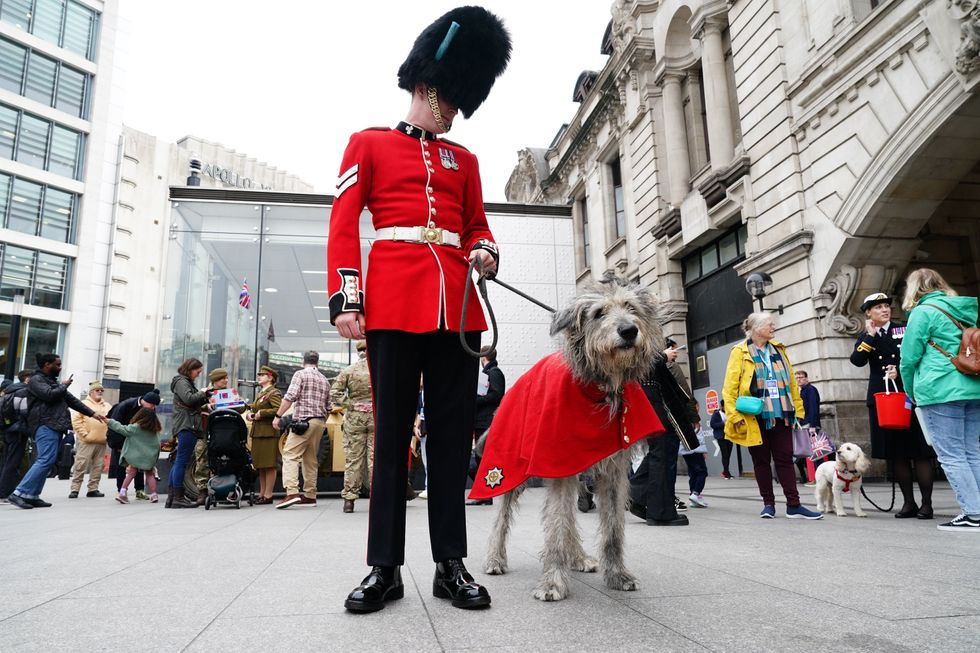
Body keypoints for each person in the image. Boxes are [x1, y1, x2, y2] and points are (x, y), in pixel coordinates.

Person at [328, 6, 510, 613]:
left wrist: (484, 251)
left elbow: (477, 226)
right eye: (451, 99)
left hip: (455, 309)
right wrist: (348, 298)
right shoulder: (369, 144)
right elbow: (342, 225)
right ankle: (384, 568)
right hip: (392, 302)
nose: (455, 111)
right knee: (390, 439)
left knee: (452, 441)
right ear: (429, 87)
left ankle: (450, 564)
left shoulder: (466, 161)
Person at [898, 268, 980, 532]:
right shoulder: (964, 309)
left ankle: (973, 513)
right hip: (972, 386)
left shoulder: (922, 312)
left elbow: (909, 358)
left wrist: (910, 391)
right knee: (972, 452)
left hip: (940, 388)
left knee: (952, 455)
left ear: (914, 288)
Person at [722, 313, 822, 519]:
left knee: (785, 459)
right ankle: (768, 504)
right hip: (754, 416)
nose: (773, 327)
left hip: (781, 414)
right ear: (757, 328)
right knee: (761, 461)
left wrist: (799, 411)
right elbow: (729, 388)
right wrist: (733, 416)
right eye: (769, 324)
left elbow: (791, 383)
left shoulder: (779, 349)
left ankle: (794, 505)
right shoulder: (740, 351)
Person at [850, 291, 935, 519]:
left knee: (920, 451)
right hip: (884, 400)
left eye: (886, 306)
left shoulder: (904, 329)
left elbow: (922, 354)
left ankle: (927, 504)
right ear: (869, 313)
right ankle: (909, 503)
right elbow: (857, 360)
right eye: (878, 307)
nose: (884, 310)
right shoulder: (866, 336)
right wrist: (870, 336)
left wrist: (900, 370)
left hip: (909, 396)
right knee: (897, 453)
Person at [8, 353, 106, 509]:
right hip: (44, 424)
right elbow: (49, 395)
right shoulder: (36, 380)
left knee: (48, 460)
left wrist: (92, 414)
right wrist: (64, 385)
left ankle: (32, 495)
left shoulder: (51, 382)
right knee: (45, 459)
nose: (60, 367)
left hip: (54, 425)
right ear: (47, 364)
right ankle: (19, 493)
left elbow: (72, 401)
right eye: (57, 364)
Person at [628, 345, 699, 526]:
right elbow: (636, 361)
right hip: (653, 398)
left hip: (652, 397)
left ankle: (637, 495)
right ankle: (660, 512)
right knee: (663, 452)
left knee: (660, 452)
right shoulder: (640, 341)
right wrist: (663, 356)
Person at [273, 351, 328, 509]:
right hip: (319, 422)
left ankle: (292, 492)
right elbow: (329, 407)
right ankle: (310, 496)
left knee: (290, 455)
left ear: (303, 362)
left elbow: (290, 397)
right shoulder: (324, 380)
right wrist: (320, 421)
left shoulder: (300, 374)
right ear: (317, 363)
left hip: (303, 422)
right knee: (310, 460)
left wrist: (278, 416)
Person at [330, 341, 375, 513]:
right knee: (375, 458)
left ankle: (349, 500)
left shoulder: (348, 370)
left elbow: (334, 393)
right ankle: (377, 497)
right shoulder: (379, 369)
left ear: (358, 352)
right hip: (376, 417)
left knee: (353, 459)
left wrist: (351, 404)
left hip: (355, 418)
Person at [168, 358, 212, 509]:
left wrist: (204, 398)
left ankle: (172, 497)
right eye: (197, 372)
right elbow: (189, 399)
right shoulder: (182, 381)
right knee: (182, 461)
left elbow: (191, 401)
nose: (198, 374)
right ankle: (178, 497)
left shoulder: (183, 382)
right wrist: (203, 392)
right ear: (190, 369)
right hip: (187, 425)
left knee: (179, 461)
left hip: (186, 424)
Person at [106, 389, 160, 499]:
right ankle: (121, 490)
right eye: (152, 405)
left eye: (155, 406)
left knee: (137, 468)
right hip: (122, 439)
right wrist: (118, 445)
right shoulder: (125, 406)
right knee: (122, 466)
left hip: (138, 442)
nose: (153, 407)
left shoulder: (149, 409)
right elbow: (117, 427)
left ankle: (139, 491)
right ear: (145, 401)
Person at [467, 352, 505, 506]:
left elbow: (497, 394)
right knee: (480, 458)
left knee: (482, 457)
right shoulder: (488, 373)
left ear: (484, 357)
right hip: (482, 420)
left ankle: (486, 494)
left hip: (485, 421)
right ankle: (484, 493)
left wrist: (476, 400)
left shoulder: (494, 372)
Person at [68, 381, 112, 498]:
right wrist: (85, 435)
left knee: (98, 466)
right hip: (86, 441)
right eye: (97, 390)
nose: (100, 392)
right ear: (91, 392)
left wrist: (108, 435)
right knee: (80, 465)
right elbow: (76, 422)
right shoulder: (83, 404)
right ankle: (75, 489)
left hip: (101, 441)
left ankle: (93, 489)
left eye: (102, 390)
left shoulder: (107, 406)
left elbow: (111, 421)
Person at [245, 365, 282, 505]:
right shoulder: (262, 392)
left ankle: (268, 495)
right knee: (261, 465)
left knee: (270, 465)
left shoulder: (274, 392)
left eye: (262, 375)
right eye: (259, 375)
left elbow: (278, 409)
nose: (259, 377)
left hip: (268, 433)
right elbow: (255, 408)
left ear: (270, 377)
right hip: (259, 432)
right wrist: (251, 414)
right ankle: (262, 494)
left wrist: (262, 413)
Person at [0, 369, 33, 503]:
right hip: (18, 430)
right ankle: (5, 493)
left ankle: (4, 491)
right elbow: (24, 412)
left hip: (8, 429)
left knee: (7, 461)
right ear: (27, 379)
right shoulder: (23, 391)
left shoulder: (9, 391)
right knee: (13, 463)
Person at [794, 370, 820, 484]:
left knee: (814, 453)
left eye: (801, 377)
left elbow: (813, 408)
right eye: (797, 378)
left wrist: (813, 425)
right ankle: (810, 477)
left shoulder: (810, 390)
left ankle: (817, 478)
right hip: (804, 424)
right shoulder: (803, 391)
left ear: (806, 378)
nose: (799, 380)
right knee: (806, 453)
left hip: (810, 424)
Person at [710, 400, 733, 479]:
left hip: (729, 436)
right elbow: (712, 424)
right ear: (722, 406)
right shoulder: (716, 414)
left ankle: (725, 471)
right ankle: (727, 474)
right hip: (721, 437)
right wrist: (723, 423)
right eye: (725, 407)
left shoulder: (729, 413)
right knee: (725, 454)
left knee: (728, 455)